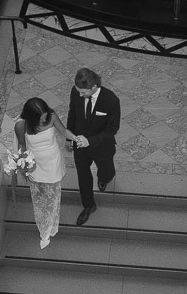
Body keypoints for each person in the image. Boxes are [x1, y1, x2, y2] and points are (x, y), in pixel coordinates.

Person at [14, 97, 80, 249]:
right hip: (35, 163)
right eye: (40, 117)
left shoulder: (51, 115)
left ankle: (49, 228)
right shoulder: (21, 125)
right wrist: (24, 164)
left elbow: (63, 131)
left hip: (53, 162)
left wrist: (76, 138)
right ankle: (44, 226)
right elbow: (22, 146)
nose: (44, 119)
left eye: (45, 115)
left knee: (53, 196)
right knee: (39, 197)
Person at [66, 67, 121, 226]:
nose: (80, 95)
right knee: (83, 176)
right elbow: (73, 113)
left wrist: (91, 141)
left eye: (83, 92)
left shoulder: (111, 100)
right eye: (78, 91)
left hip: (102, 146)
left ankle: (105, 178)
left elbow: (112, 128)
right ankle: (89, 205)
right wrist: (70, 137)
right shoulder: (76, 92)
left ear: (94, 87)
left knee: (106, 171)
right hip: (80, 145)